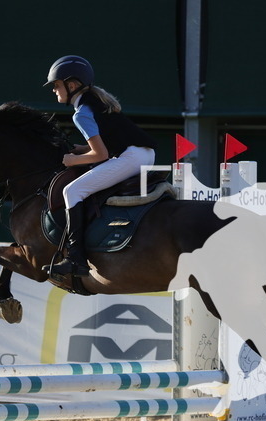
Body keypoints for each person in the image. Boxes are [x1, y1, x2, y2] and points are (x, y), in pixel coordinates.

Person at [41, 55, 157, 277]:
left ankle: (76, 260)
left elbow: (101, 154)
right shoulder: (93, 102)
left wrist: (72, 160)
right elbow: (102, 146)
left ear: (72, 85)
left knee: (71, 190)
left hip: (131, 158)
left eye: (56, 85)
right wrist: (80, 149)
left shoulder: (81, 113)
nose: (54, 90)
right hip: (144, 154)